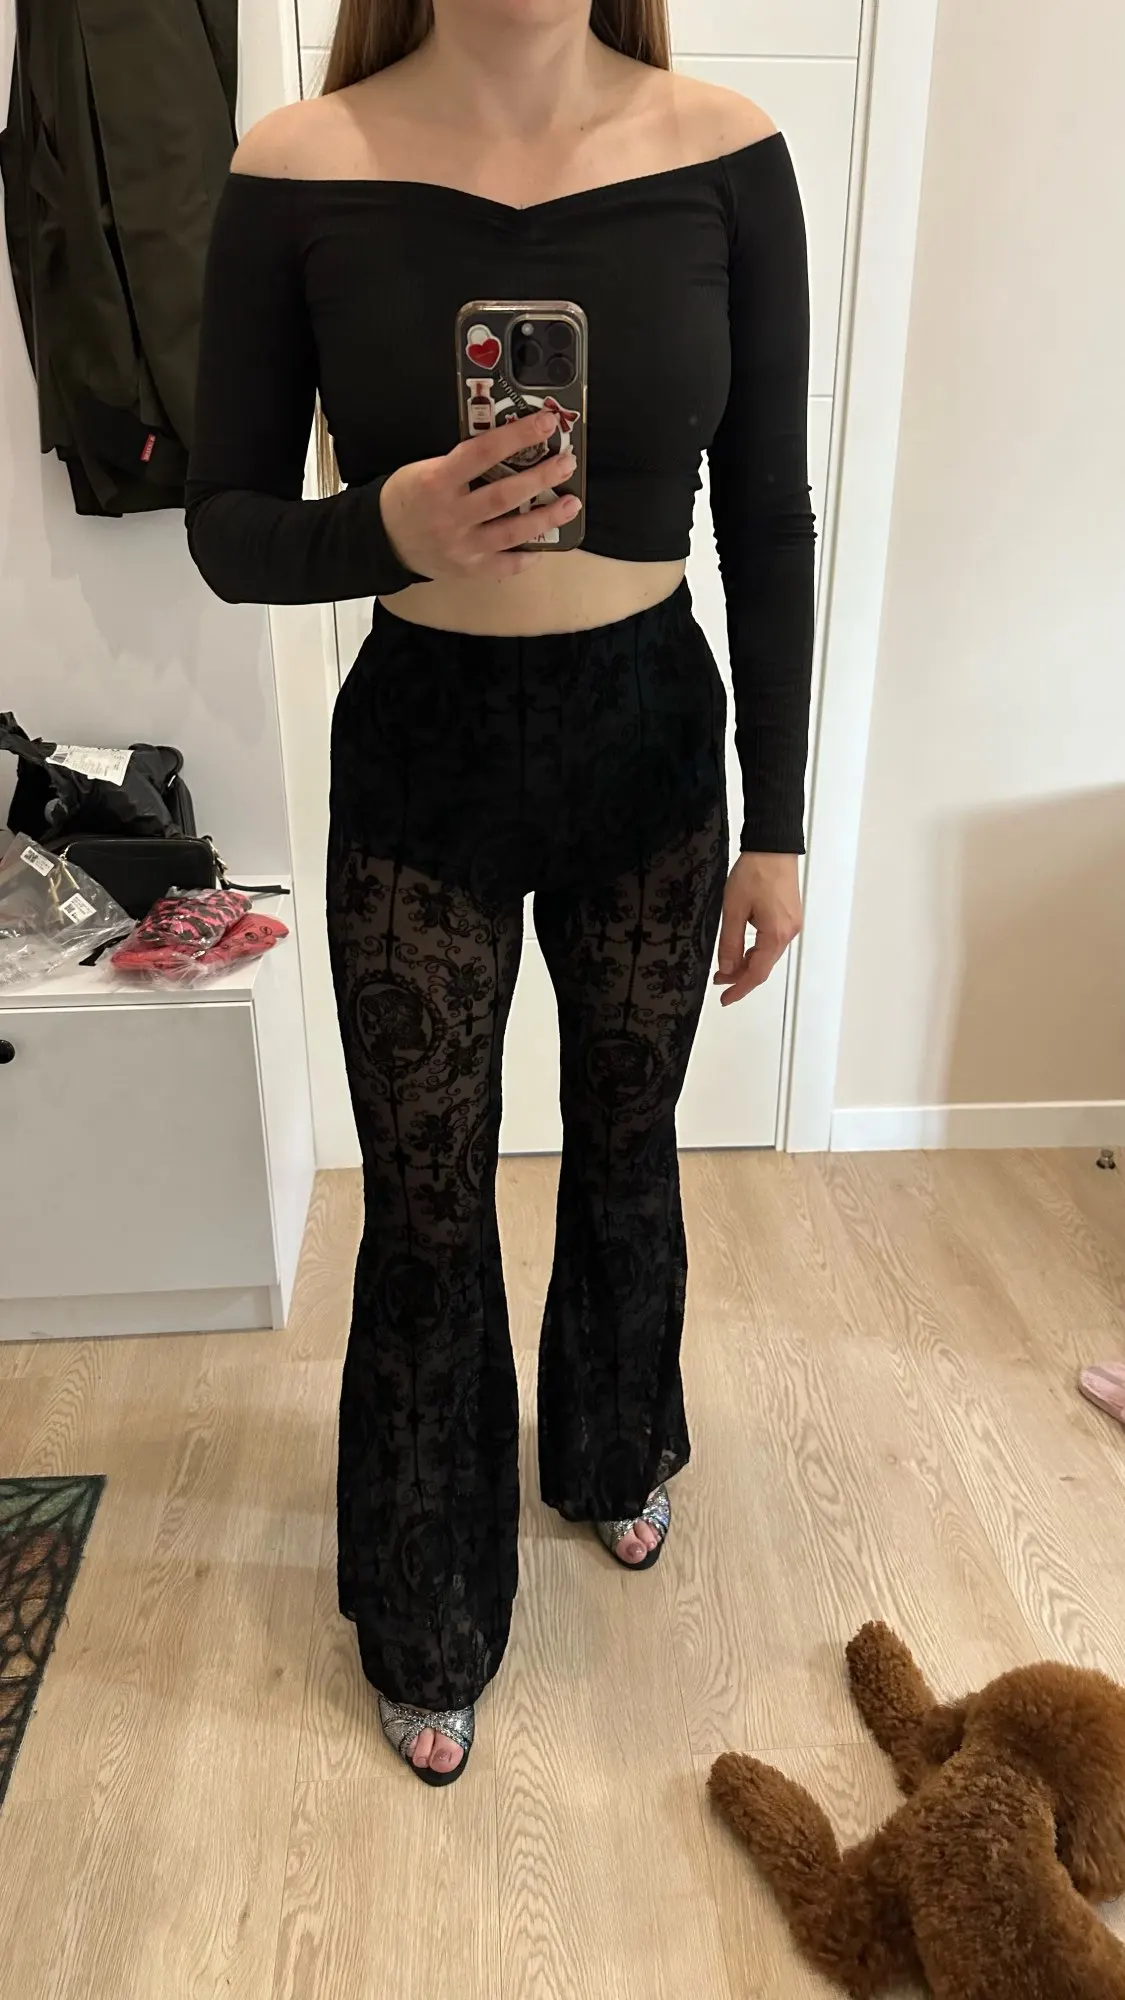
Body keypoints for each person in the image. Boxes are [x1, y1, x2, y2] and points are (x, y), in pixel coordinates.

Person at [186, 0, 815, 1786]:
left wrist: (781, 822)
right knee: (427, 1199)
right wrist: (389, 527)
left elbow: (768, 514)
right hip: (425, 752)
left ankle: (612, 1446)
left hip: (649, 741)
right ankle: (427, 1608)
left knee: (625, 1140)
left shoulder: (725, 155)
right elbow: (227, 523)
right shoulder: (298, 167)